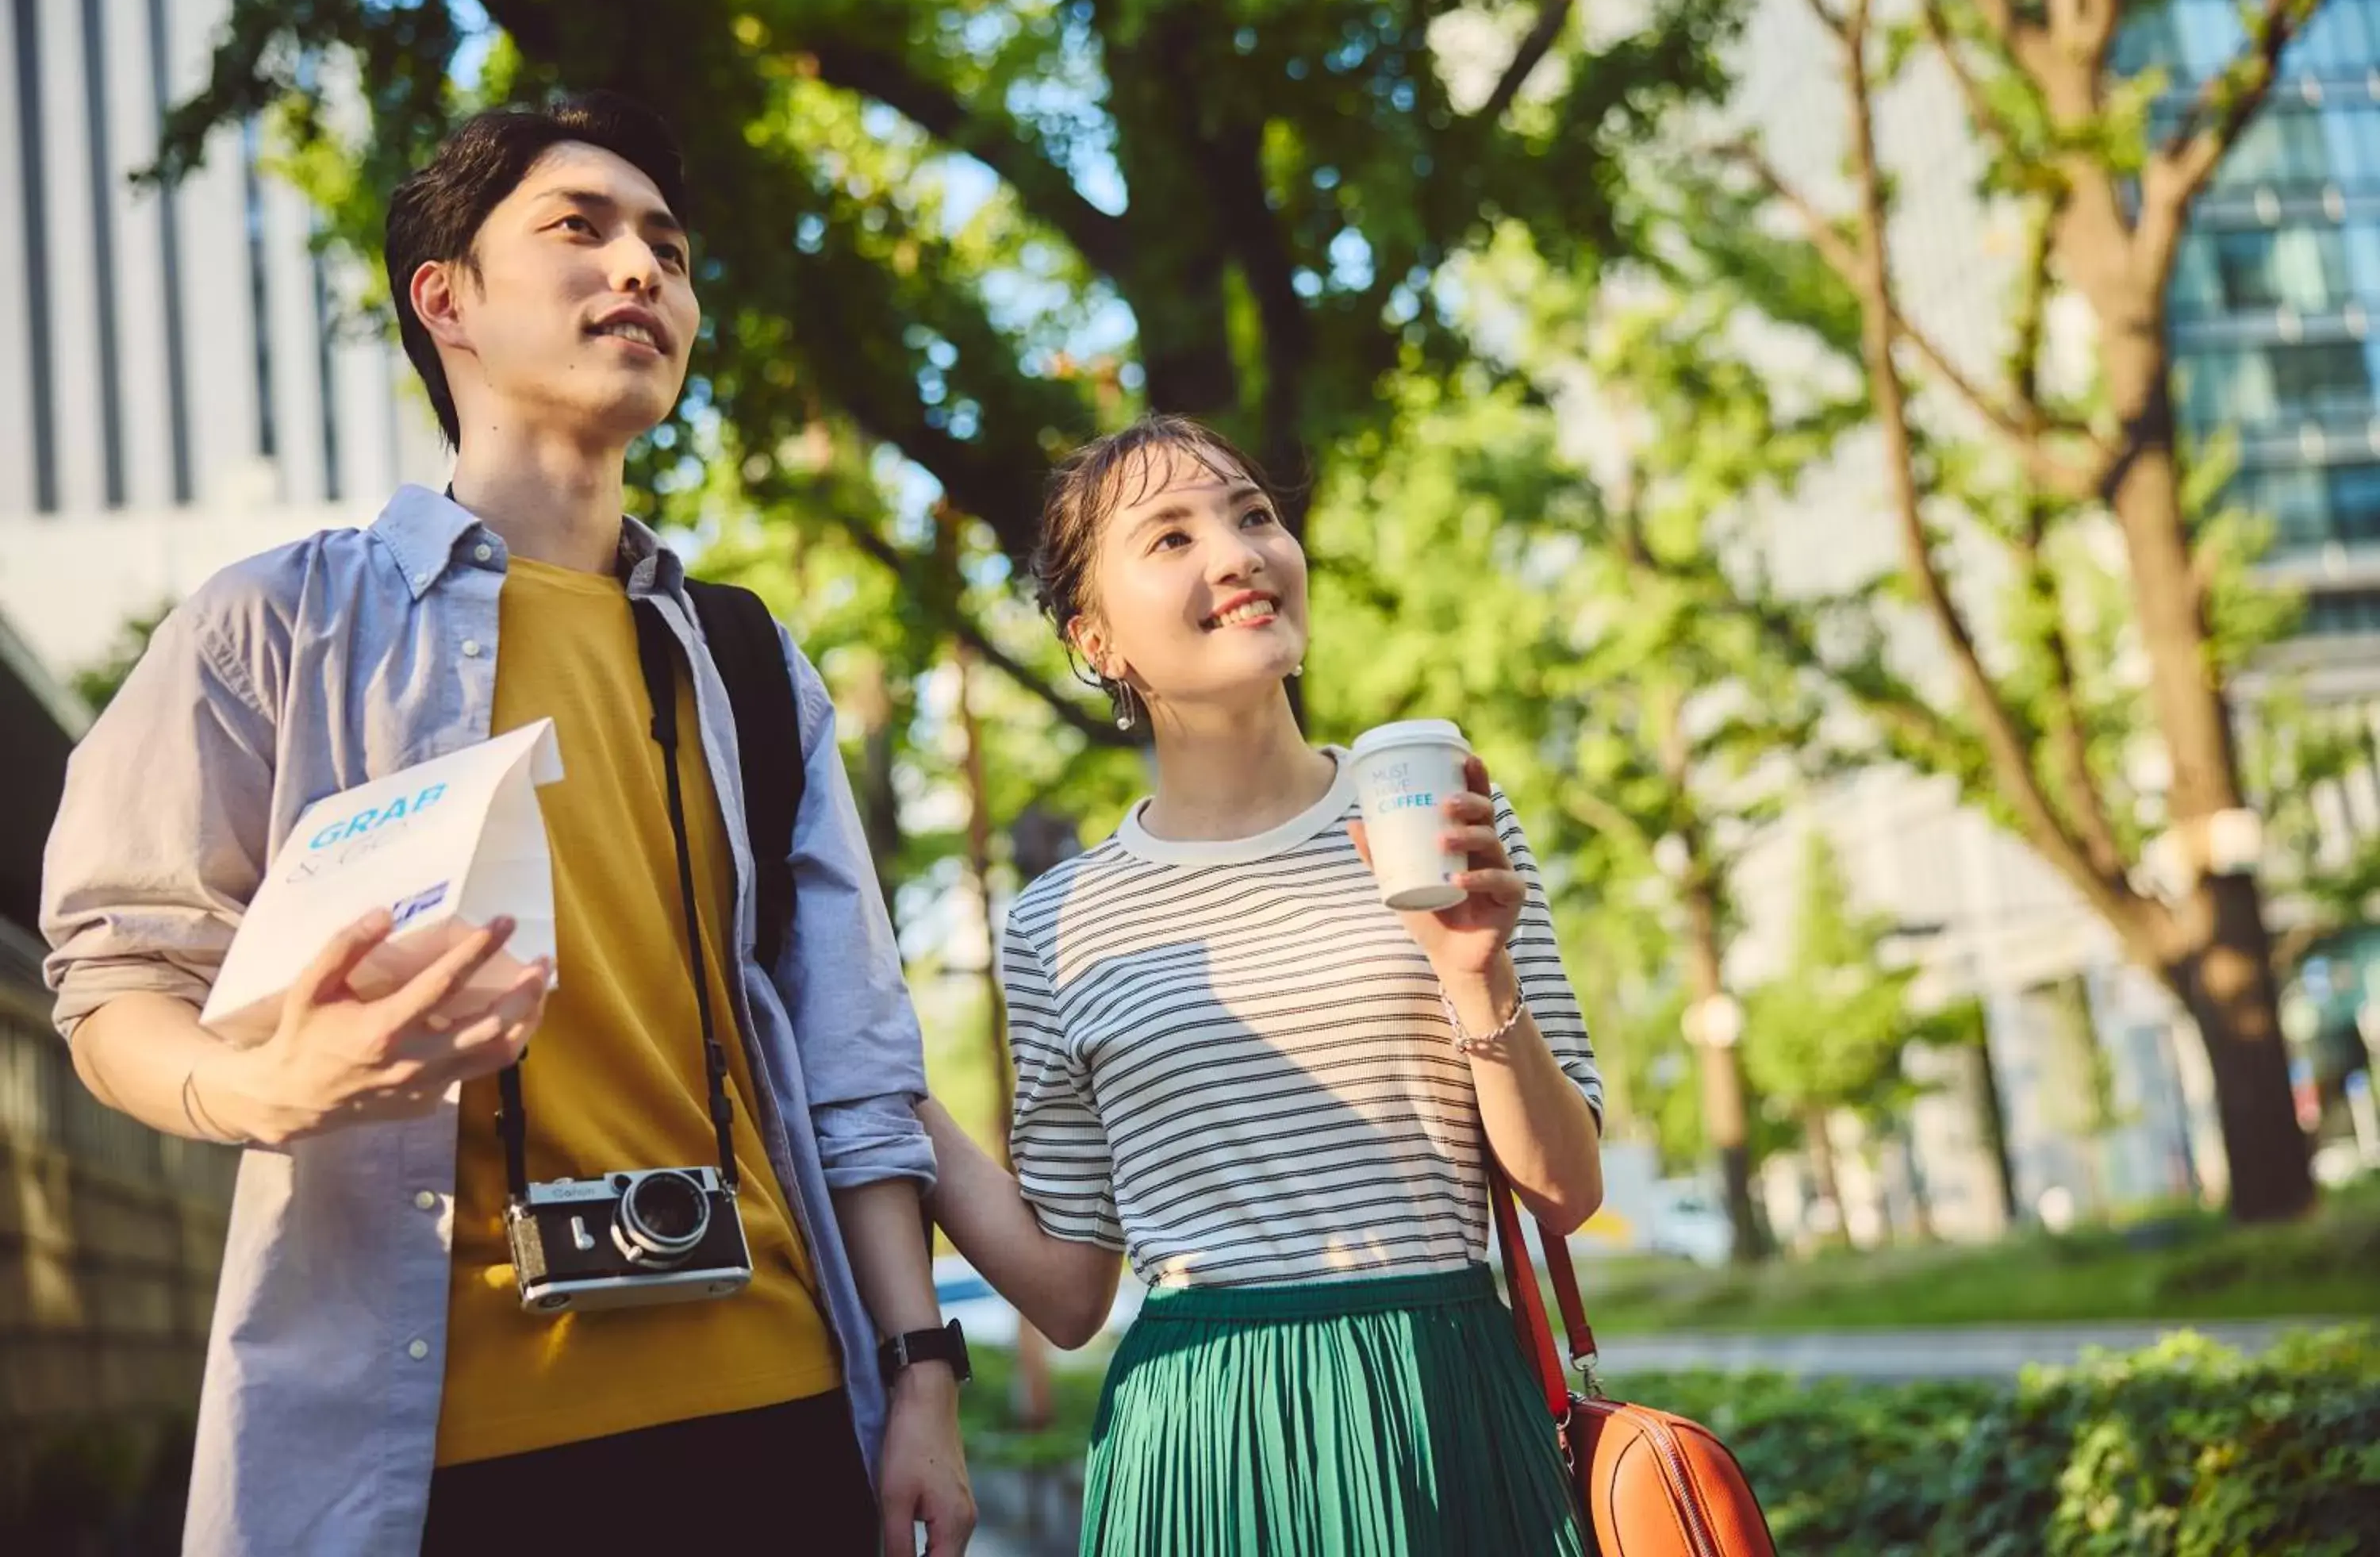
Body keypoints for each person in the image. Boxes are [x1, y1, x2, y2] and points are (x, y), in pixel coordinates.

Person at [41, 94, 973, 1556]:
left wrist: (924, 1379)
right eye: (579, 230)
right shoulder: (276, 630)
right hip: (429, 1456)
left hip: (780, 1409)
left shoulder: (743, 663)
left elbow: (851, 1057)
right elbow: (111, 980)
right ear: (446, 300)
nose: (642, 271)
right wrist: (260, 1090)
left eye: (667, 247)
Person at [919, 413, 1606, 1554]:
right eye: (1172, 537)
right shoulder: (1057, 923)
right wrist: (888, 1091)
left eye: (1252, 516)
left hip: (1441, 1404)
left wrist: (1477, 978)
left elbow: (1566, 1195)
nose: (1237, 553)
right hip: (1201, 1436)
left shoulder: (1438, 825)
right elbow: (1068, 1292)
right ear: (1096, 640)